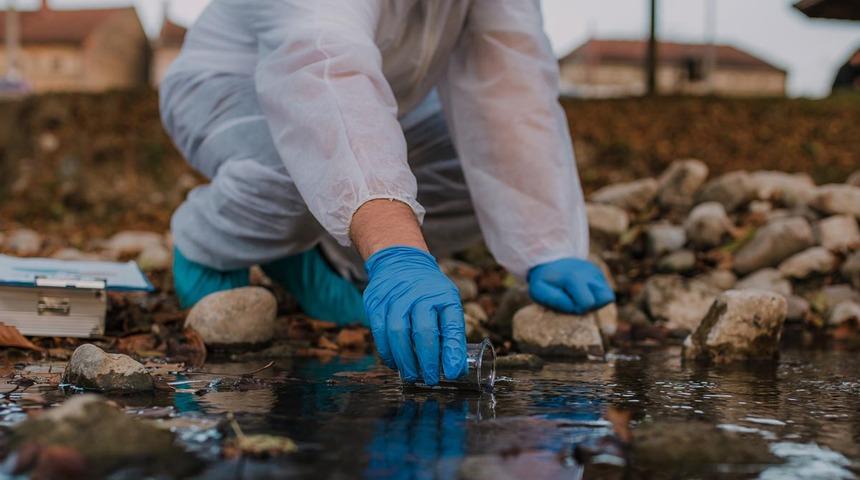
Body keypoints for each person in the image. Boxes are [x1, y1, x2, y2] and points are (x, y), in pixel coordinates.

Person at [160, 0, 615, 386]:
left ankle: (319, 254)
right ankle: (208, 246)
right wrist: (397, 250)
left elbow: (509, 86)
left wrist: (546, 242)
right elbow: (323, 71)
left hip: (388, 99)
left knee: (473, 170)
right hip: (232, 88)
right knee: (304, 170)